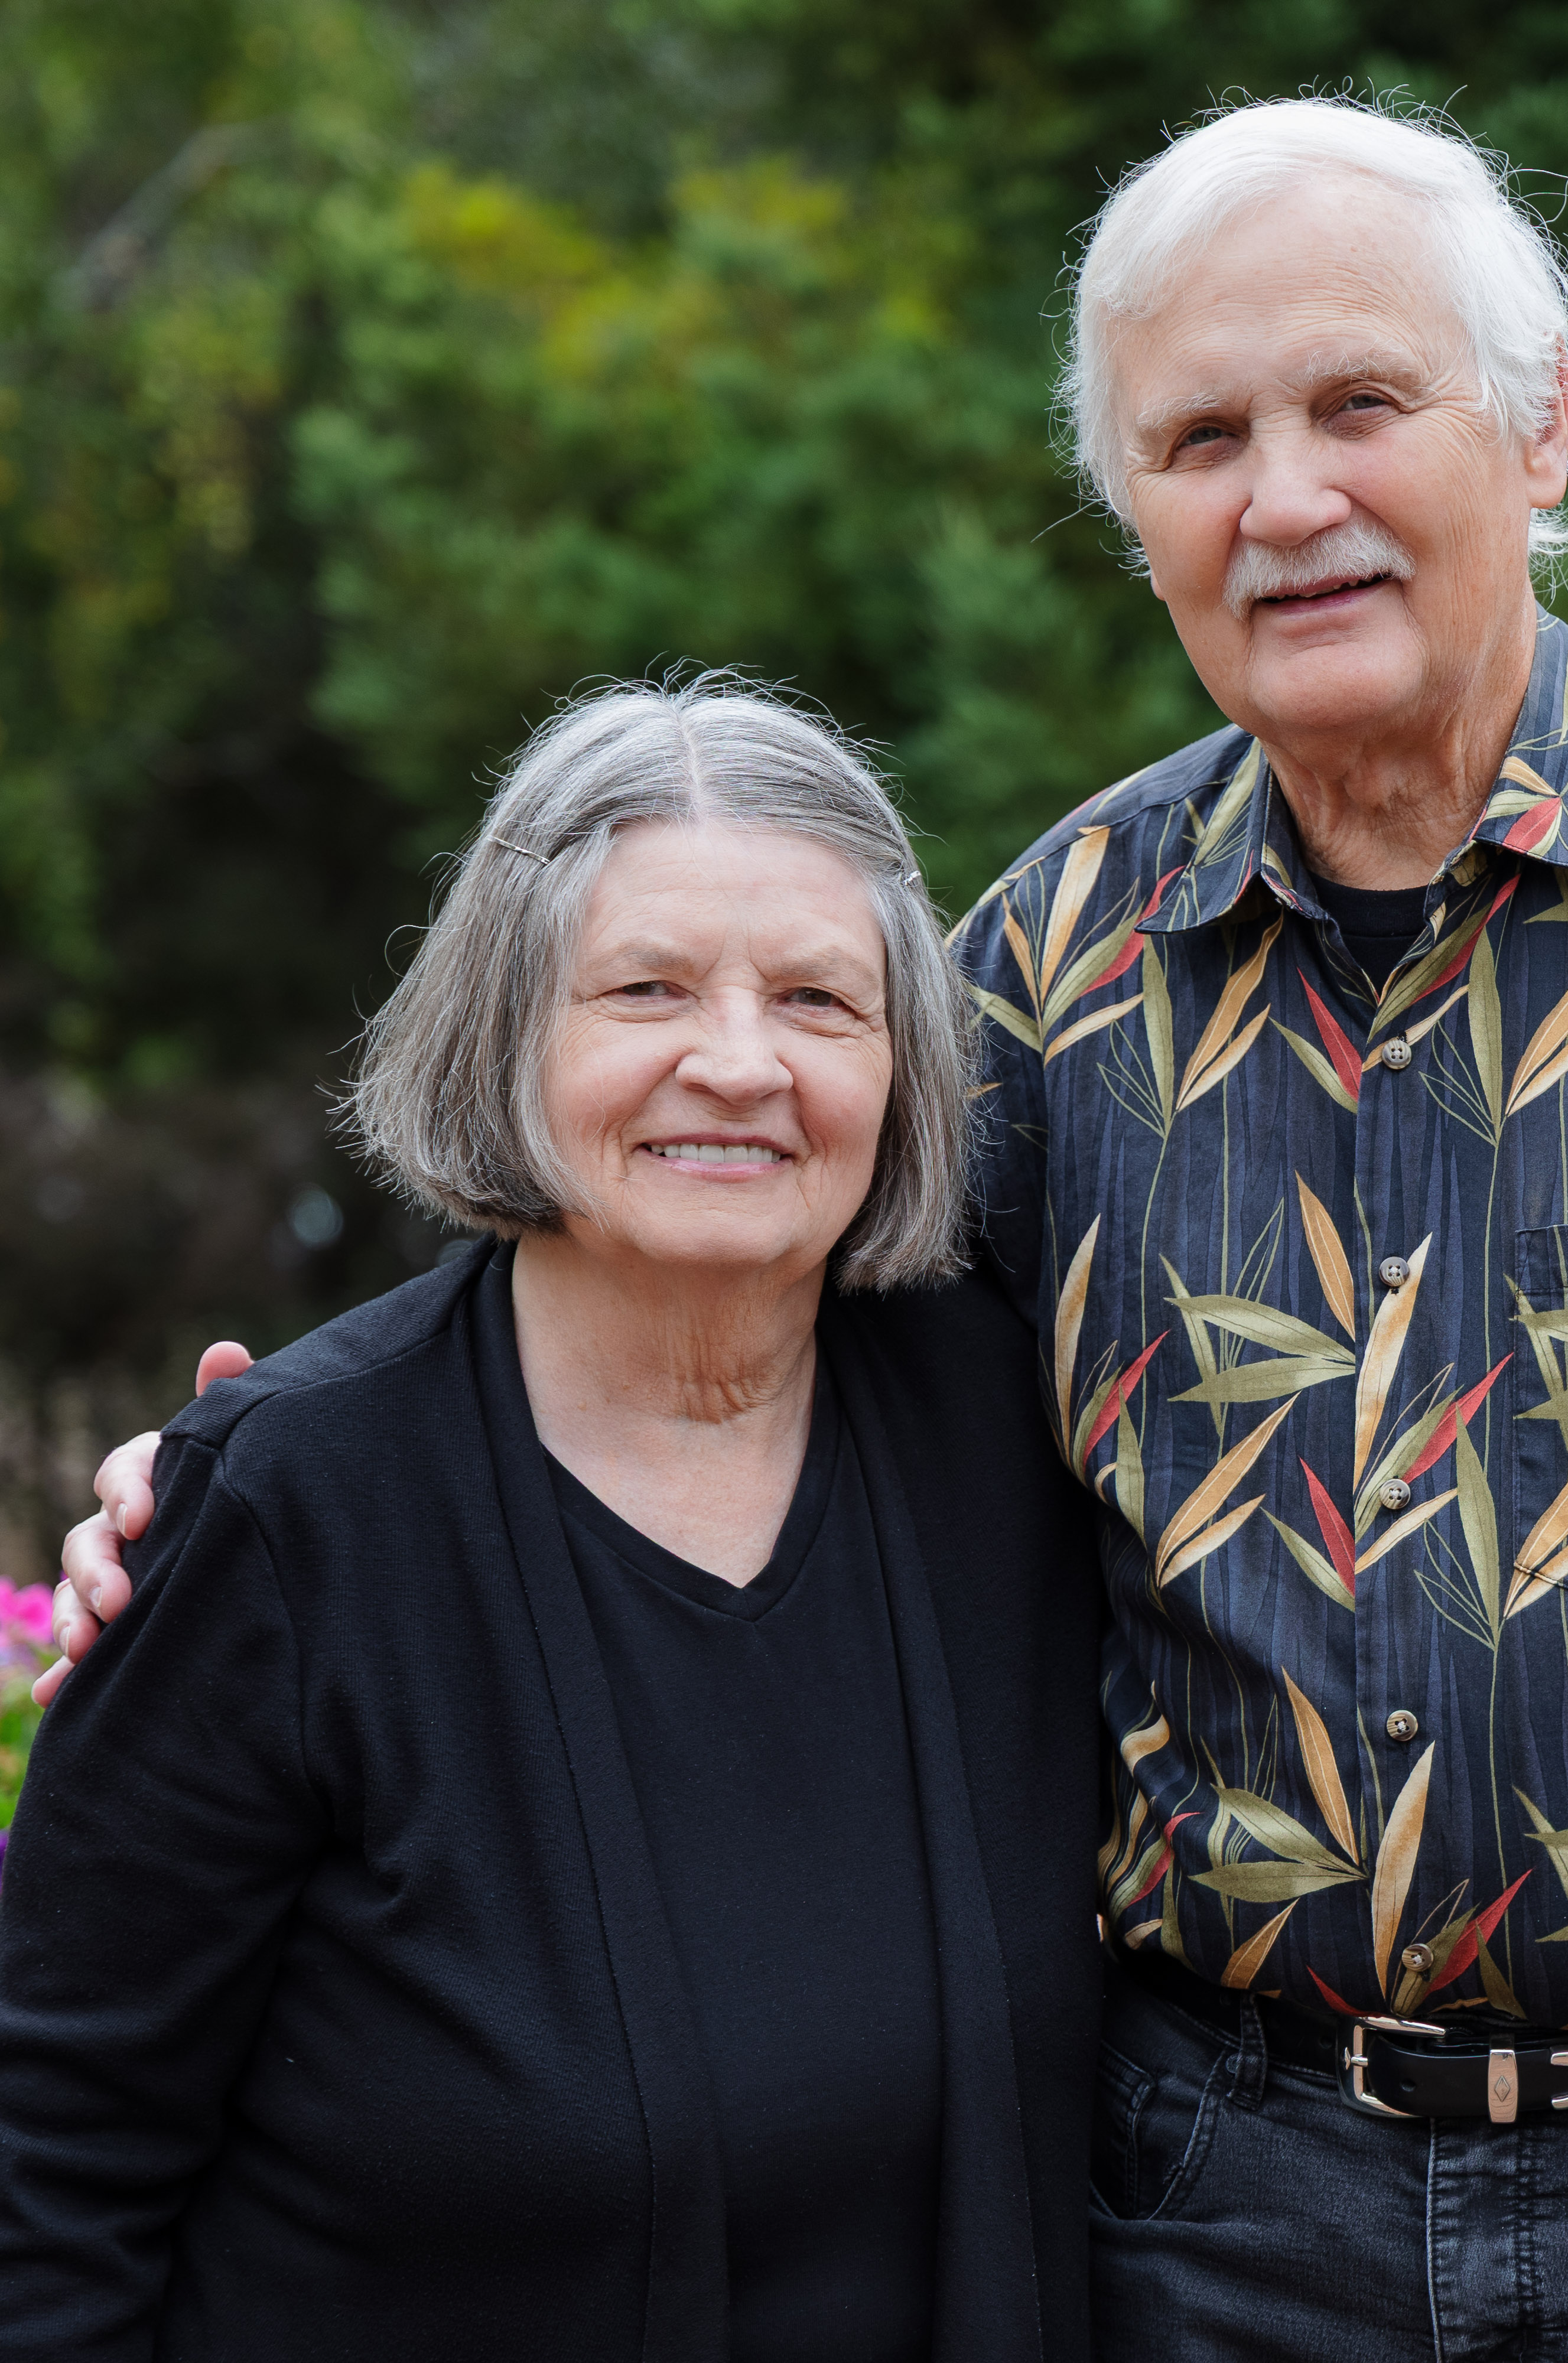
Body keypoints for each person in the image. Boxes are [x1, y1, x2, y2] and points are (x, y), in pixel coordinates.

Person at [52, 97, 1568, 2362]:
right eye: (1196, 441)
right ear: (1133, 514)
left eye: (1362, 403)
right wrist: (290, 1482)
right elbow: (746, 1333)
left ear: (1540, 430)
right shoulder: (1054, 960)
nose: (1286, 500)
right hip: (1231, 2212)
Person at [2, 679, 1104, 2361]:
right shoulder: (299, 1511)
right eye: (646, 989)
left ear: (904, 1073)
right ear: (509, 1030)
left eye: (821, 1000)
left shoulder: (1016, 1437)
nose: (738, 1062)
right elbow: (49, 2168)